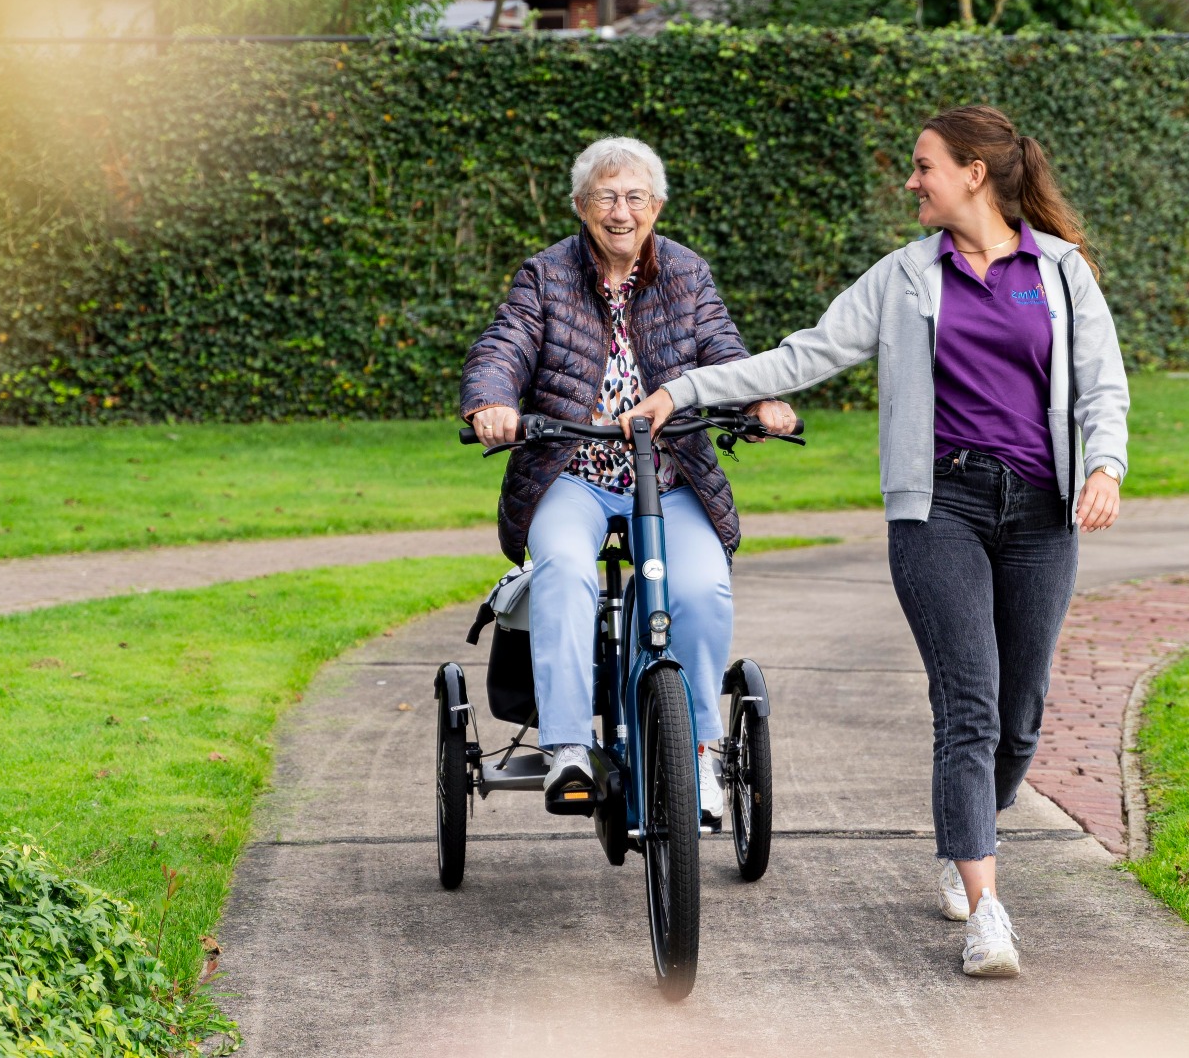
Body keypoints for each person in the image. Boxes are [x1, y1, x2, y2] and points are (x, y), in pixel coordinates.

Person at [621, 106, 1129, 978]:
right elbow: (801, 355)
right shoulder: (902, 278)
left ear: (974, 173)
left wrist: (1106, 465)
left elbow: (1102, 384)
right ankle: (987, 911)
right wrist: (685, 387)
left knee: (1019, 716)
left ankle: (960, 834)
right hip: (940, 511)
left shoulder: (1062, 272)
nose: (911, 180)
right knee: (968, 704)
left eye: (924, 165)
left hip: (1042, 512)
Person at [460, 136, 796, 824]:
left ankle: (697, 754)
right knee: (562, 569)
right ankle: (567, 750)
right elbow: (508, 342)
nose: (622, 210)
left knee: (701, 587)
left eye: (635, 196)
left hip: (670, 474)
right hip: (571, 470)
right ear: (583, 206)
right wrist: (492, 400)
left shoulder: (686, 273)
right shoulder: (545, 275)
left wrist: (761, 402)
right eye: (607, 196)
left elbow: (724, 353)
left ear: (657, 205)